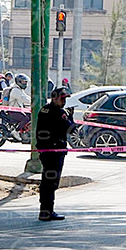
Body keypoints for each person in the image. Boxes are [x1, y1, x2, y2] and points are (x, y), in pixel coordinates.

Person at [36, 87, 74, 221]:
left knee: (47, 181)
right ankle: (47, 211)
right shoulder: (59, 113)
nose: (64, 101)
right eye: (62, 98)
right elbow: (71, 129)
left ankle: (45, 210)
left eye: (65, 99)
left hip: (45, 150)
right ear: (54, 98)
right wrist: (70, 117)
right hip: (55, 150)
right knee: (51, 182)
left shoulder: (44, 109)